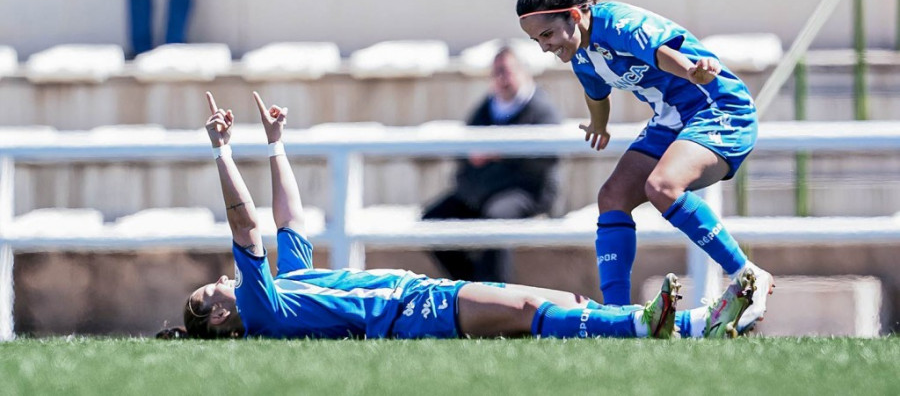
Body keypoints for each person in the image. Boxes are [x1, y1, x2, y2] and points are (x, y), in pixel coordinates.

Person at [156, 92, 756, 340]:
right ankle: (655, 327)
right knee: (527, 312)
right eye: (215, 289)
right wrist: (221, 151)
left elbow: (290, 222)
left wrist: (276, 142)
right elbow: (245, 223)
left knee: (559, 305)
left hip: (415, 293)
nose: (225, 278)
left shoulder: (282, 289)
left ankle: (690, 325)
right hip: (405, 314)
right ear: (221, 316)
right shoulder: (261, 306)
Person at [515, 0, 774, 334]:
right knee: (612, 196)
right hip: (671, 120)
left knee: (661, 186)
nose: (546, 47)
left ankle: (747, 274)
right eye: (537, 41)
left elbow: (660, 53)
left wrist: (693, 71)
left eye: (548, 34)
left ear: (576, 15)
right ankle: (618, 319)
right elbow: (597, 94)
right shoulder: (582, 55)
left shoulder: (619, 24)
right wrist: (598, 126)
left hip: (717, 106)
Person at [424, 46, 561, 282]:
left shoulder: (539, 109)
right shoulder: (486, 108)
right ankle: (471, 286)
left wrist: (504, 152)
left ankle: (497, 294)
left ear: (523, 72)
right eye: (496, 72)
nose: (502, 79)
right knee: (432, 221)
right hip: (480, 192)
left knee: (496, 221)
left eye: (507, 71)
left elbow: (548, 159)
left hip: (525, 192)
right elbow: (465, 152)